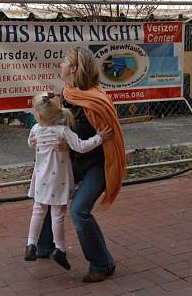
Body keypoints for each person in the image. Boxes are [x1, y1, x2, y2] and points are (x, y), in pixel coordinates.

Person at [32, 47, 126, 283]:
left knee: (79, 211)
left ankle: (102, 264)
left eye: (64, 61)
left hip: (98, 163)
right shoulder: (67, 93)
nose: (60, 64)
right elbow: (53, 125)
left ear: (74, 68)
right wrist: (39, 135)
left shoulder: (96, 100)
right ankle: (45, 246)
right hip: (74, 160)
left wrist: (72, 144)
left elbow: (109, 137)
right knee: (45, 190)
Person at [25, 91, 112, 271]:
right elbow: (81, 146)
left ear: (38, 115)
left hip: (40, 178)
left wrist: (34, 143)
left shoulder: (35, 130)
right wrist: (100, 138)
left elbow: (31, 143)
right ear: (59, 114)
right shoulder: (63, 131)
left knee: (38, 210)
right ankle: (60, 249)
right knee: (58, 215)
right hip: (59, 180)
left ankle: (31, 244)